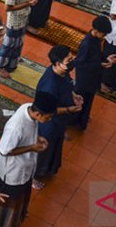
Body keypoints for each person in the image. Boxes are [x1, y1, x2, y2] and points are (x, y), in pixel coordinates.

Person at [0, 92, 55, 225]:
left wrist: (36, 138)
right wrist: (32, 147)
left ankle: (18, 217)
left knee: (20, 199)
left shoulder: (29, 108)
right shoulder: (16, 127)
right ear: (38, 114)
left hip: (26, 168)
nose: (49, 120)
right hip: (12, 173)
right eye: (48, 118)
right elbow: (5, 151)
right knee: (7, 205)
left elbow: (28, 132)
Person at [35, 45, 83, 184]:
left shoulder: (62, 72)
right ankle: (36, 175)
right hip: (49, 123)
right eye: (69, 60)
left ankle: (50, 169)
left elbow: (68, 85)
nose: (72, 62)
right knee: (44, 149)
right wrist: (69, 109)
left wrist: (74, 96)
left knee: (55, 145)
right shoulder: (50, 85)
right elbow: (49, 110)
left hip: (59, 123)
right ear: (58, 63)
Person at [74, 16, 116, 130]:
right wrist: (100, 65)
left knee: (88, 100)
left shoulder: (96, 40)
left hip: (92, 77)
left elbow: (97, 55)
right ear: (96, 31)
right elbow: (80, 64)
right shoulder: (87, 44)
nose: (104, 37)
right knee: (81, 101)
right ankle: (76, 122)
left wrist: (106, 59)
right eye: (103, 34)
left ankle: (83, 118)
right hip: (84, 80)